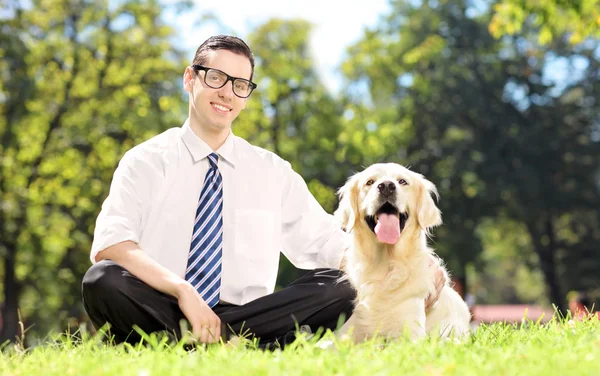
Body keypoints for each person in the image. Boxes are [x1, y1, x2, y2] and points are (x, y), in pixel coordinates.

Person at [82, 35, 444, 347]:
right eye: (216, 77)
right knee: (103, 281)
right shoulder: (145, 160)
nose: (228, 92)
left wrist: (416, 262)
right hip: (163, 302)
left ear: (247, 96)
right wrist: (182, 291)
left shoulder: (272, 171)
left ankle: (219, 341)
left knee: (340, 285)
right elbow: (111, 244)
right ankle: (225, 347)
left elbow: (327, 244)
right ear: (190, 79)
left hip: (251, 319)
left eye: (240, 84)